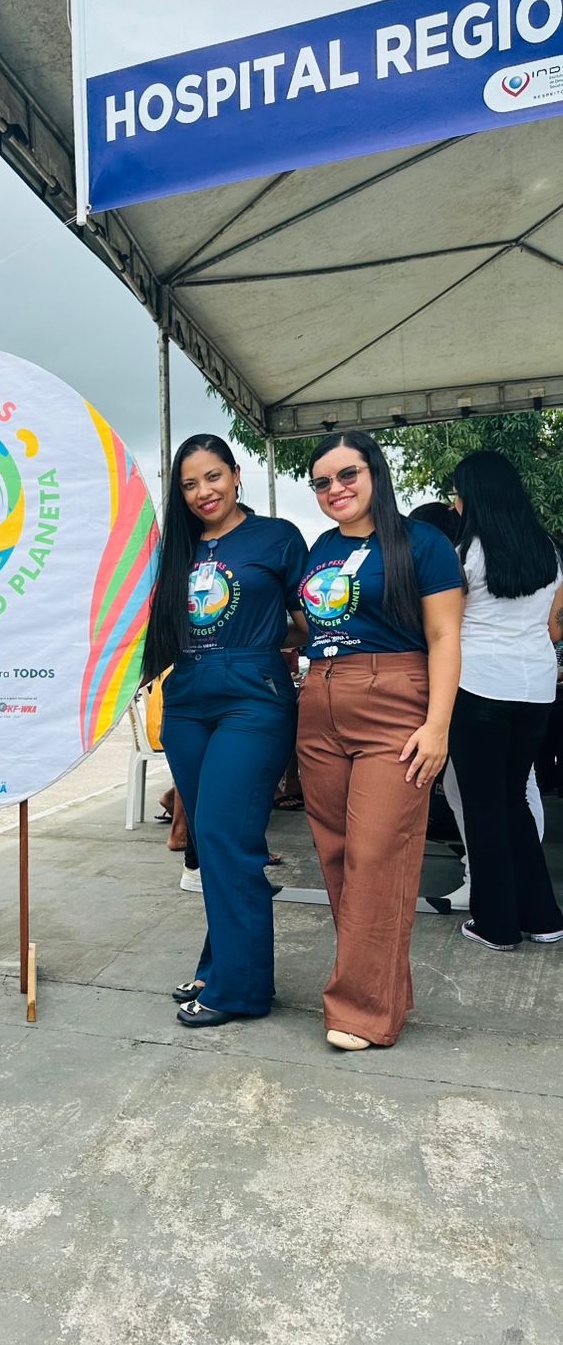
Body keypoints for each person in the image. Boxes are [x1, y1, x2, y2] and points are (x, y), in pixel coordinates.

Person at [297, 431, 462, 1052]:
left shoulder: (423, 543)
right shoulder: (321, 548)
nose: (335, 489)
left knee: (376, 855)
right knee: (338, 855)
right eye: (322, 482)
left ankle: (362, 1010)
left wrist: (438, 725)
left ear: (375, 474)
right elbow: (311, 624)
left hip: (394, 698)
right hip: (320, 700)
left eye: (348, 474)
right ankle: (380, 990)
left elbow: (445, 636)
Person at [142, 434, 308, 1028]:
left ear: (236, 475)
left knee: (227, 835)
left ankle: (241, 989)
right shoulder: (176, 550)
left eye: (213, 477)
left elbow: (305, 622)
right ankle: (221, 967)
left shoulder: (277, 537)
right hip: (186, 697)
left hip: (252, 696)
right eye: (189, 484)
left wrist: (258, 640)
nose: (203, 492)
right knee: (210, 841)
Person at [445, 451, 563, 950]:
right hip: (536, 688)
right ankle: (543, 916)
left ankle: (495, 924)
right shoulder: (549, 550)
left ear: (473, 495)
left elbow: (447, 627)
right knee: (513, 798)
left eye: (456, 493)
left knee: (483, 807)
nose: (454, 502)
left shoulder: (465, 552)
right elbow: (554, 626)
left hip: (477, 686)